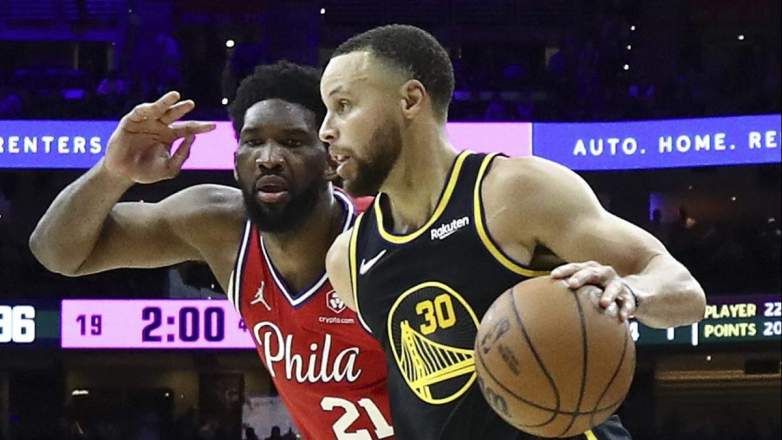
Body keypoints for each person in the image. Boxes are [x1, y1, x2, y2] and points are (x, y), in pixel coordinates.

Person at [319, 25, 706, 440]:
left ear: (411, 100)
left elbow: (686, 293)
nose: (325, 129)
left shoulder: (515, 192)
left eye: (344, 105)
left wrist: (633, 293)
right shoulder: (348, 259)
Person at [29, 62, 393, 439]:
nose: (269, 157)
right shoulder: (219, 226)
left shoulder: (388, 237)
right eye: (253, 142)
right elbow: (57, 253)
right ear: (235, 163)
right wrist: (112, 173)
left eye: (292, 142)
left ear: (332, 160)